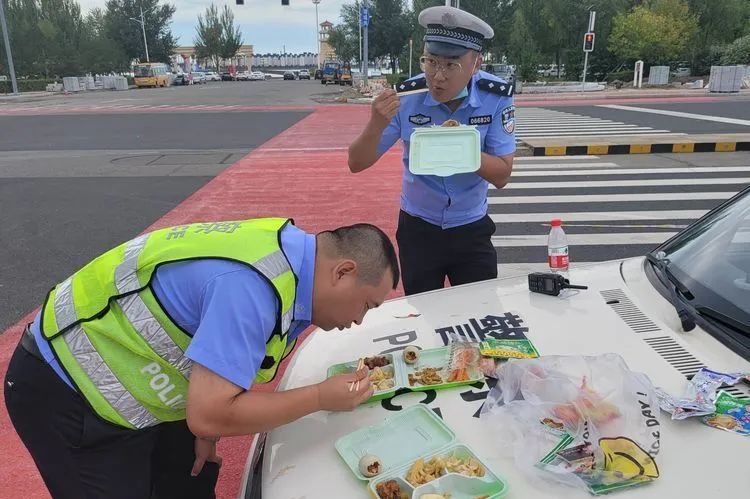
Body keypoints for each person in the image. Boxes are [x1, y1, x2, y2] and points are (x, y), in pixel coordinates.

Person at [4, 217, 399, 499]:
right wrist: (319, 397)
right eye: (366, 304)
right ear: (343, 272)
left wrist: (206, 433)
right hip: (66, 391)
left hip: (142, 385)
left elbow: (207, 347)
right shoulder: (252, 288)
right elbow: (210, 413)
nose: (358, 320)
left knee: (190, 481)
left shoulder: (288, 255)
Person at [348, 5, 516, 296]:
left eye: (452, 65)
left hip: (471, 227)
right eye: (431, 62)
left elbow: (502, 175)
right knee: (423, 316)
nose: (437, 76)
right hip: (419, 229)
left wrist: (461, 147)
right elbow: (356, 163)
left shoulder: (495, 98)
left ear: (476, 63)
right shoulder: (407, 97)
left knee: (481, 313)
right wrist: (376, 123)